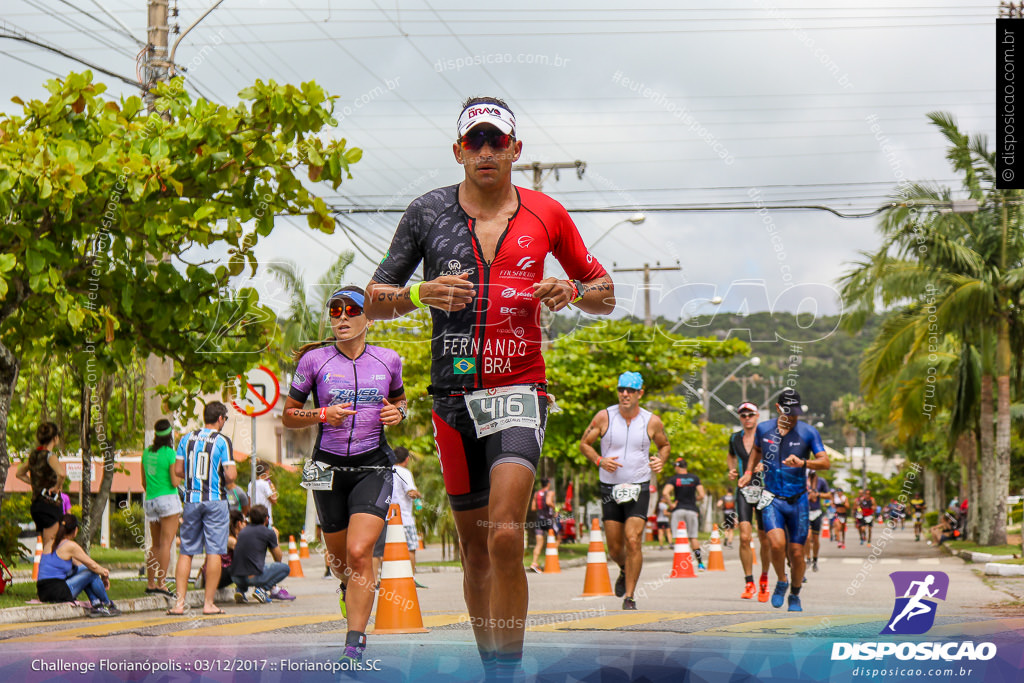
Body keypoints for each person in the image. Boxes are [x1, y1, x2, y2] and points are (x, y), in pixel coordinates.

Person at [365, 96, 614, 678]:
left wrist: (572, 291)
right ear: (457, 151)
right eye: (473, 142)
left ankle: (510, 669)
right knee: (475, 552)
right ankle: (492, 667)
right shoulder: (426, 214)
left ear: (515, 150)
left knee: (505, 536)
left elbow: (605, 292)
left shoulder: (547, 214)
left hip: (520, 392)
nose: (484, 151)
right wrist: (415, 295)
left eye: (495, 141)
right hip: (452, 399)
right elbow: (371, 300)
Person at [283, 285, 407, 665]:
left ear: (368, 316)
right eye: (335, 311)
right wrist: (322, 415)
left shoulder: (388, 360)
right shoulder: (314, 362)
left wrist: (399, 413)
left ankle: (354, 642)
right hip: (326, 466)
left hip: (374, 465)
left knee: (359, 553)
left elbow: (400, 400)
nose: (341, 317)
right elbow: (289, 415)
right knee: (339, 560)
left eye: (351, 310)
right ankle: (346, 587)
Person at [582, 372, 669, 610]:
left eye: (630, 390)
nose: (625, 394)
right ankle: (623, 568)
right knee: (615, 549)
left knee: (633, 541)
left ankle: (630, 596)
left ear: (640, 393)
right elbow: (584, 444)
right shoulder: (604, 416)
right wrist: (599, 460)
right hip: (610, 487)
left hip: (639, 486)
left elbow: (664, 445)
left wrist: (660, 460)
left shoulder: (652, 421)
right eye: (622, 389)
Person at [738, 389, 830, 612]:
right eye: (787, 412)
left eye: (795, 412)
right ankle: (781, 580)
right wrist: (749, 472)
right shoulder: (763, 429)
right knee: (776, 544)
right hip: (771, 499)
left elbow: (825, 462)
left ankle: (796, 593)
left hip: (798, 501)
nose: (792, 417)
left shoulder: (808, 432)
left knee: (798, 552)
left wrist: (803, 463)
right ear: (779, 409)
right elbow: (756, 452)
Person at [168, 401, 236, 616]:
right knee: (215, 550)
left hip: (191, 500)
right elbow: (231, 475)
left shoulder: (186, 439)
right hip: (216, 500)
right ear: (220, 419)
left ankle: (179, 604)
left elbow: (178, 471)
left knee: (187, 551)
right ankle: (208, 604)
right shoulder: (223, 441)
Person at [727, 403, 772, 602]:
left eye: (750, 414)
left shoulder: (766, 436)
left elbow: (777, 458)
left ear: (757, 416)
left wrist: (766, 464)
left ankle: (764, 579)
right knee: (744, 537)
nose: (747, 418)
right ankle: (749, 582)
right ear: (740, 417)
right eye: (743, 415)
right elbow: (730, 456)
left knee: (765, 538)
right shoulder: (735, 438)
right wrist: (731, 470)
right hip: (744, 489)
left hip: (764, 490)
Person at [36, 514, 121, 617]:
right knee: (91, 573)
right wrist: (105, 573)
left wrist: (99, 572)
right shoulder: (70, 546)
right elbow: (92, 566)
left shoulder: (50, 543)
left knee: (86, 571)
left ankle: (96, 604)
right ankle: (108, 604)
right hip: (57, 592)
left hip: (43, 592)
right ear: (75, 530)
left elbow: (81, 565)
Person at [141, 418, 182, 598]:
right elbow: (174, 481)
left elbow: (143, 482)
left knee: (155, 544)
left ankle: (150, 583)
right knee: (166, 543)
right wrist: (181, 476)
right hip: (168, 502)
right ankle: (162, 584)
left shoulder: (146, 453)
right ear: (170, 435)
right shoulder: (170, 454)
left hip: (150, 500)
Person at [371, 447, 424, 588]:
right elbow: (411, 492)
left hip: (385, 517)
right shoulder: (404, 473)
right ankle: (410, 578)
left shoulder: (385, 471)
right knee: (411, 548)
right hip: (404, 518)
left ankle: (376, 580)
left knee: (379, 550)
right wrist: (419, 495)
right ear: (406, 459)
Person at [16, 422, 67, 551]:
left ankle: (47, 570)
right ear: (55, 438)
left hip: (36, 505)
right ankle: (46, 571)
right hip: (49, 504)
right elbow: (61, 474)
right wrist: (56, 487)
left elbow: (19, 473)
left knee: (47, 543)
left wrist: (34, 483)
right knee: (51, 544)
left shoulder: (33, 456)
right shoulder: (50, 456)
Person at [231, 505, 294, 603]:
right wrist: (275, 538)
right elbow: (278, 558)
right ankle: (262, 589)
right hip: (253, 578)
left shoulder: (243, 532)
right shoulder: (268, 532)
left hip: (235, 577)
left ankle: (240, 591)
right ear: (266, 519)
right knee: (285, 568)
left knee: (246, 564)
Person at [662, 459, 705, 572]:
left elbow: (665, 492)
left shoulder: (674, 479)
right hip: (691, 510)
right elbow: (702, 494)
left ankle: (680, 564)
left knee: (679, 538)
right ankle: (700, 563)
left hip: (678, 510)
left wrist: (671, 504)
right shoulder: (694, 478)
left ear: (677, 466)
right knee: (693, 537)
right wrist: (693, 500)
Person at [803, 471, 831, 572]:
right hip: (805, 512)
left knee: (815, 539)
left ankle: (815, 559)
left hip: (816, 512)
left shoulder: (821, 482)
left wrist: (817, 494)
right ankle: (808, 558)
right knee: (807, 537)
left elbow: (829, 495)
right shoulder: (802, 480)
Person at [529, 478, 557, 573]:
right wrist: (556, 509)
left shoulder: (536, 494)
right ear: (548, 484)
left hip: (539, 520)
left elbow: (533, 508)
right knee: (558, 538)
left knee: (539, 543)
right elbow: (549, 502)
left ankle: (534, 563)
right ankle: (551, 560)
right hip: (548, 520)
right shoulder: (550, 493)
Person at [248, 461, 278, 532]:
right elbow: (274, 500)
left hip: (254, 518)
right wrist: (273, 488)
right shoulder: (265, 484)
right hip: (265, 519)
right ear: (267, 472)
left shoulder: (251, 484)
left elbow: (249, 502)